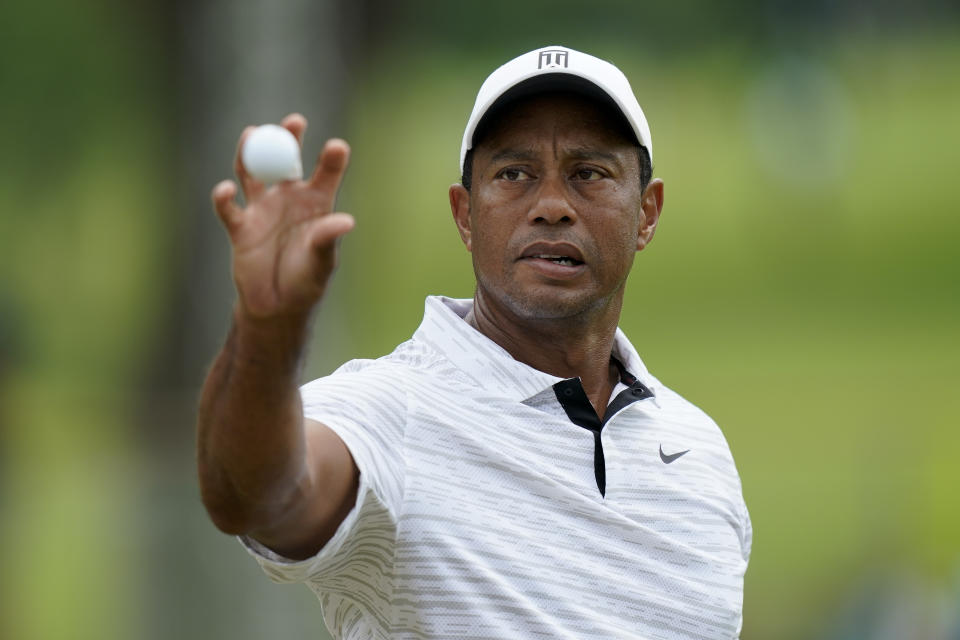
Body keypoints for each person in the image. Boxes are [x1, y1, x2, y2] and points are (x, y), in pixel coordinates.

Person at [198, 45, 752, 639]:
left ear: (647, 212)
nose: (551, 207)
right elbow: (253, 497)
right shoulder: (391, 411)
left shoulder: (701, 453)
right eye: (513, 174)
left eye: (588, 173)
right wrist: (265, 331)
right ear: (465, 215)